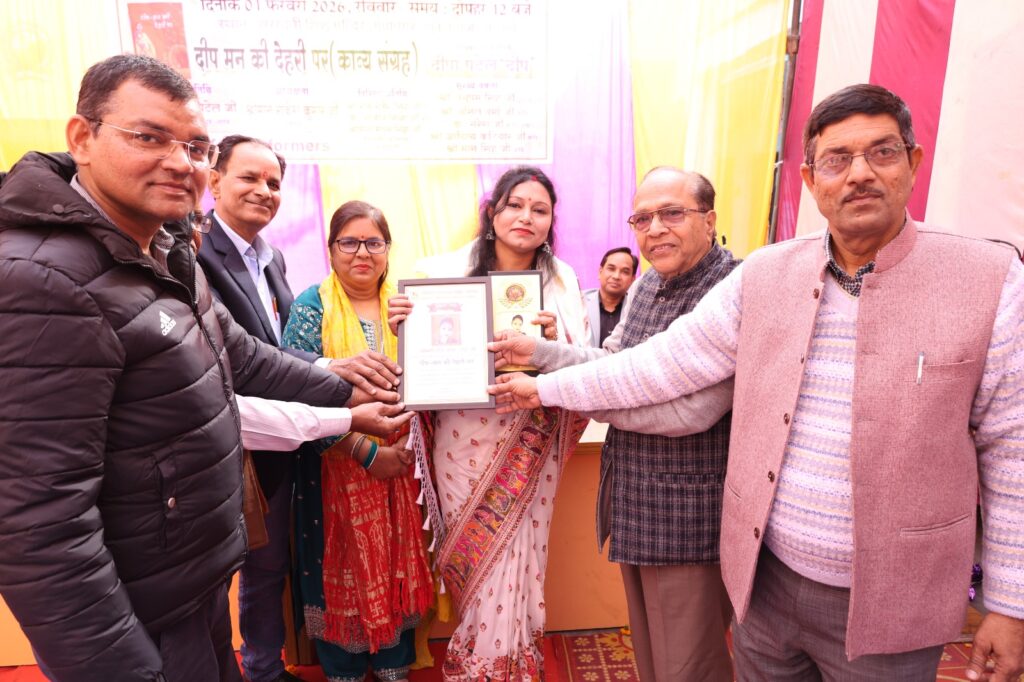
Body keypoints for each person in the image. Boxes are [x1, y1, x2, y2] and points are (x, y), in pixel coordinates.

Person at [490, 84, 1024, 682]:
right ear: (810, 178)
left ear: (913, 161)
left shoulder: (986, 279)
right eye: (836, 159)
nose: (859, 174)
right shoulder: (768, 275)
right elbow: (657, 363)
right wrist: (544, 373)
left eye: (881, 152)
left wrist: (1011, 602)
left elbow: (1012, 447)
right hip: (766, 584)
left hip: (893, 601)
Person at [0, 54, 407, 682]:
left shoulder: (162, 249)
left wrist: (346, 386)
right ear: (82, 138)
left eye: (194, 147)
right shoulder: (42, 279)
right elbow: (40, 523)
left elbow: (242, 356)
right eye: (148, 137)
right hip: (137, 611)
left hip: (192, 580)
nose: (178, 162)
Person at [492, 167, 738, 681]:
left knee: (689, 666)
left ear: (710, 219)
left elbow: (689, 413)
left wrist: (551, 389)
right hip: (634, 502)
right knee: (652, 659)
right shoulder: (647, 284)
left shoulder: (731, 289)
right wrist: (539, 352)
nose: (655, 229)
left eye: (672, 213)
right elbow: (611, 364)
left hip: (691, 516)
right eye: (642, 219)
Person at [197, 135, 401, 682]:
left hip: (286, 438)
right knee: (220, 575)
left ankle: (266, 668)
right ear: (214, 180)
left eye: (273, 183)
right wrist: (337, 381)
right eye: (249, 178)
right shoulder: (196, 254)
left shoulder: (270, 258)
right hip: (229, 438)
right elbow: (243, 357)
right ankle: (252, 670)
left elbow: (280, 353)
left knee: (269, 567)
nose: (263, 191)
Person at [389, 166, 589, 681]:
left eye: (539, 210)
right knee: (476, 556)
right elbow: (422, 360)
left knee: (519, 556)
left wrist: (552, 341)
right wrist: (406, 327)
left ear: (551, 222)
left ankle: (504, 666)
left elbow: (586, 364)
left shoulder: (562, 282)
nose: (526, 217)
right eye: (515, 205)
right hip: (461, 440)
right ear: (492, 212)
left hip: (530, 437)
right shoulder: (442, 273)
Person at [282, 200, 434, 682]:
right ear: (331, 250)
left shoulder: (408, 305)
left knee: (395, 564)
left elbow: (437, 375)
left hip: (403, 466)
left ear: (388, 250)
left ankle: (393, 663)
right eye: (349, 242)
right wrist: (366, 452)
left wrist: (404, 448)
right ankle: (344, 668)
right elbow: (294, 394)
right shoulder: (312, 307)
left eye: (374, 242)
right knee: (341, 567)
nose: (362, 253)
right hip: (334, 470)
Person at [582, 246, 637, 347]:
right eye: (611, 269)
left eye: (625, 272)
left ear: (632, 279)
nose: (616, 276)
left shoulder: (637, 308)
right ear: (600, 272)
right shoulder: (579, 302)